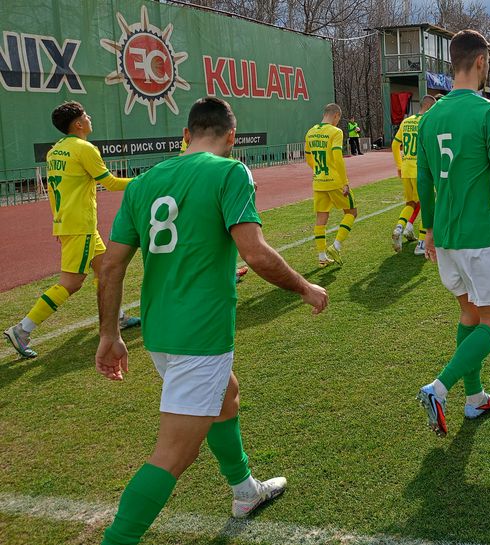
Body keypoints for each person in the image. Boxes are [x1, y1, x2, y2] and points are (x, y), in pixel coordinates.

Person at [95, 97, 329, 544]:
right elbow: (255, 252)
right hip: (199, 335)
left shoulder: (143, 183)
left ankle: (245, 491)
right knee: (173, 456)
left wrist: (109, 333)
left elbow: (111, 265)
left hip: (161, 331)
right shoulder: (230, 172)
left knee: (227, 396)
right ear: (231, 138)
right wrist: (304, 287)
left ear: (186, 135)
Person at [415, 29, 490, 437]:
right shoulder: (489, 111)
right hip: (478, 238)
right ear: (482, 61)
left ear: (453, 62)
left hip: (446, 237)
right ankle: (439, 388)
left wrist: (429, 229)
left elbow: (424, 180)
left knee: (470, 314)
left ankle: (475, 397)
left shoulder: (428, 117)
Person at [4, 101, 140, 359]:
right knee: (71, 282)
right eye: (86, 115)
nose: (90, 118)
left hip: (69, 223)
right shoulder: (84, 148)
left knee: (105, 271)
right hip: (81, 225)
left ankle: (117, 317)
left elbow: (53, 190)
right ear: (78, 124)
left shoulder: (55, 151)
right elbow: (110, 183)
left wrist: (58, 221)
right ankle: (22, 329)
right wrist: (146, 180)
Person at [181, 136, 250, 284]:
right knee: (215, 233)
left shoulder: (196, 140)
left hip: (198, 190)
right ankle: (227, 274)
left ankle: (229, 271)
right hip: (204, 192)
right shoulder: (210, 140)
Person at [305, 104, 357, 266]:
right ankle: (336, 246)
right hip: (335, 181)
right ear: (336, 115)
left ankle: (322, 257)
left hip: (319, 181)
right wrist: (345, 182)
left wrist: (319, 171)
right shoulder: (336, 132)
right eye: (338, 119)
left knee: (321, 218)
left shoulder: (310, 132)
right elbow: (337, 158)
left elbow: (308, 158)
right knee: (351, 212)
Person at [391, 95, 436, 255]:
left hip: (406, 169)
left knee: (410, 203)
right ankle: (421, 244)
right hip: (421, 170)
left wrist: (399, 165)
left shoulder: (406, 121)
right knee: (427, 204)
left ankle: (399, 228)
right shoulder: (428, 121)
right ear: (429, 107)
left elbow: (395, 144)